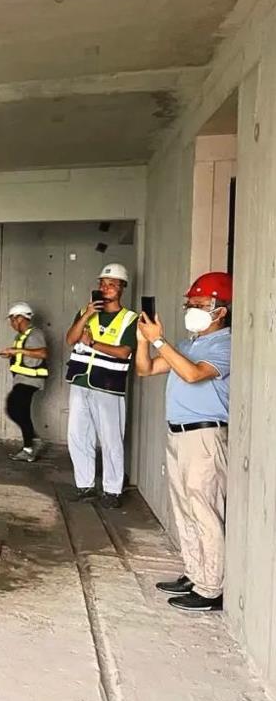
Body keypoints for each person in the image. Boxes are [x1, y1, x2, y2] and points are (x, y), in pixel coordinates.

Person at [137, 272, 232, 613]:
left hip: (205, 437)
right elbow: (145, 369)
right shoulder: (190, 344)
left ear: (220, 310)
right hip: (179, 434)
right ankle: (195, 574)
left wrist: (160, 341)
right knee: (185, 509)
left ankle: (211, 589)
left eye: (199, 304)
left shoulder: (225, 344)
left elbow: (193, 375)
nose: (191, 309)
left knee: (204, 510)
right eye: (189, 303)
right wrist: (144, 340)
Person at [64, 263, 138, 508]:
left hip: (108, 384)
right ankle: (84, 486)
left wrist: (94, 344)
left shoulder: (130, 319)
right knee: (78, 435)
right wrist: (86, 315)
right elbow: (70, 339)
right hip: (80, 380)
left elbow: (124, 351)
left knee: (111, 438)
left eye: (112, 285)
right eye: (103, 284)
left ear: (122, 288)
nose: (106, 289)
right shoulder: (85, 312)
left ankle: (112, 491)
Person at [0, 301, 49, 462]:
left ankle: (31, 444)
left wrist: (16, 350)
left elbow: (42, 353)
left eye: (12, 319)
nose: (11, 323)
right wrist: (12, 354)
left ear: (20, 318)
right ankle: (31, 445)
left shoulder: (35, 334)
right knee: (18, 410)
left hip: (30, 379)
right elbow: (25, 354)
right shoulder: (21, 336)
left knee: (15, 408)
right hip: (22, 379)